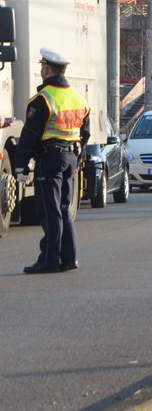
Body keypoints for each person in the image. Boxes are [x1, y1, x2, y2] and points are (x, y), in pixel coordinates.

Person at [14, 48, 91, 274]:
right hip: (71, 158)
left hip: (50, 159)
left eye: (41, 68)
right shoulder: (78, 98)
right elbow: (84, 133)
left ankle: (49, 260)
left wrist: (21, 166)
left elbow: (29, 135)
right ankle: (69, 258)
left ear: (46, 70)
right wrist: (78, 157)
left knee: (50, 211)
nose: (40, 71)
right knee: (64, 209)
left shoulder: (43, 99)